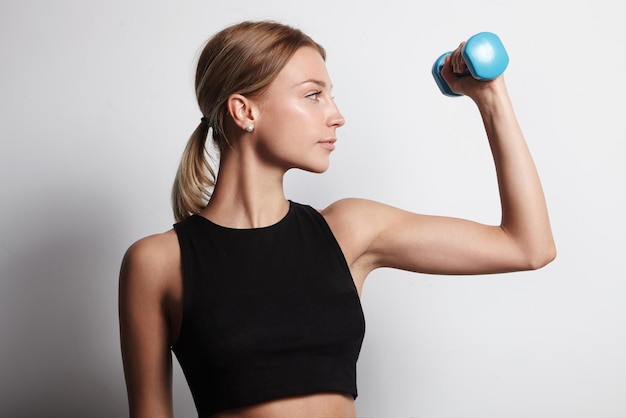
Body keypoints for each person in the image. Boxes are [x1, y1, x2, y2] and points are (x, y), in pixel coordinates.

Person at [118, 20, 556, 418]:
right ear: (244, 111)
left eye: (330, 95)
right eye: (313, 95)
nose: (336, 115)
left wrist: (491, 97)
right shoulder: (156, 263)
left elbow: (528, 246)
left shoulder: (349, 231)